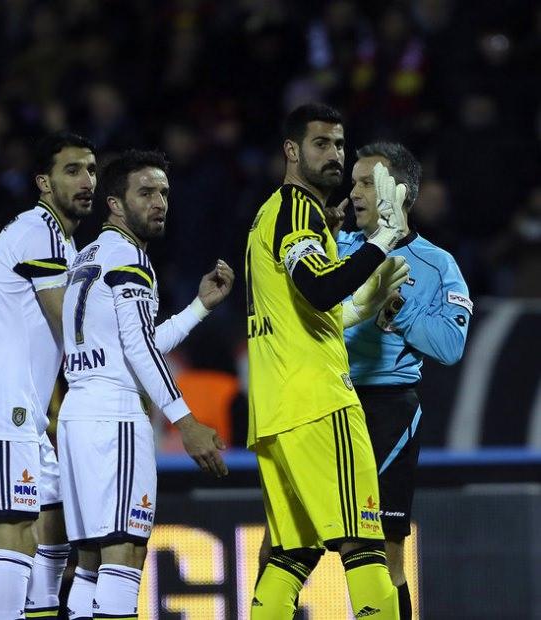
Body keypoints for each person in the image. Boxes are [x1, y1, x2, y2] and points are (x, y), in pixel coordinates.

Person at [246, 101, 410, 619]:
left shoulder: (273, 213)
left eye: (339, 143)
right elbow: (318, 288)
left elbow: (306, 310)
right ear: (291, 151)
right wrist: (382, 240)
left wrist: (360, 304)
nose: (335, 154)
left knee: (293, 552)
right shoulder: (297, 209)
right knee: (364, 540)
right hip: (318, 400)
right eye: (321, 143)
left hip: (276, 409)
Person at [57, 149, 234, 619]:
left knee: (90, 561)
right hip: (114, 418)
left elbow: (137, 341)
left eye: (164, 193)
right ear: (115, 203)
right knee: (126, 552)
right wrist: (186, 421)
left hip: (79, 415)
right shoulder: (130, 257)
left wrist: (199, 307)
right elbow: (139, 349)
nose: (159, 203)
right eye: (146, 193)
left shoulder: (88, 256)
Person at [0, 131, 97, 620]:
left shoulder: (63, 239)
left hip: (24, 413)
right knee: (13, 536)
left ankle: (41, 611)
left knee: (54, 521)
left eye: (91, 170)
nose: (87, 180)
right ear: (44, 182)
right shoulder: (38, 232)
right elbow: (70, 325)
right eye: (72, 170)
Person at [336, 141, 472, 619]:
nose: (354, 192)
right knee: (284, 543)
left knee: (383, 549)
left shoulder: (438, 265)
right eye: (353, 182)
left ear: (402, 194)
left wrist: (398, 306)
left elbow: (450, 346)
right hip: (327, 399)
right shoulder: (335, 248)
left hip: (387, 410)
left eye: (367, 183)